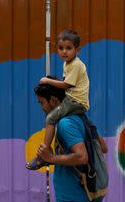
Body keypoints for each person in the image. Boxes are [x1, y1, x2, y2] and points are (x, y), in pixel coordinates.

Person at [27, 29, 90, 170]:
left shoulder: (75, 64)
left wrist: (47, 81)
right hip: (73, 99)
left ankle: (43, 154)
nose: (64, 52)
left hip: (75, 101)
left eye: (69, 48)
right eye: (61, 48)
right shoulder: (68, 63)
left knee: (50, 118)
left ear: (77, 49)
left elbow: (67, 84)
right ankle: (45, 153)